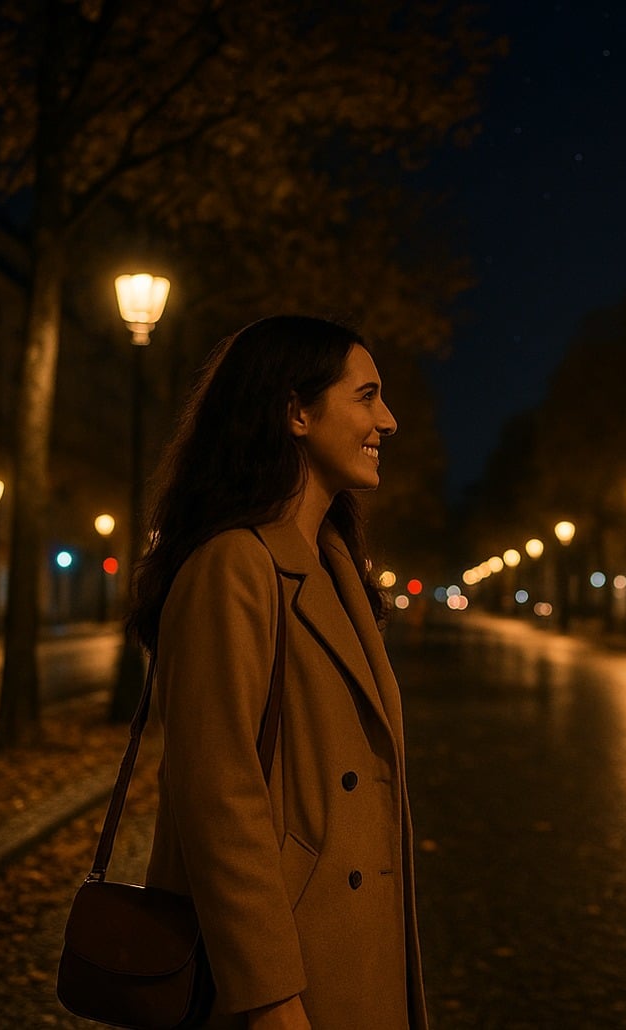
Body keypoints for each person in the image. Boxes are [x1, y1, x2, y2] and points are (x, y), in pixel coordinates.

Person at [126, 315, 426, 1029]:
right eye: (366, 396)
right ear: (296, 411)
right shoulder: (233, 567)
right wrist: (268, 999)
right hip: (285, 980)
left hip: (344, 951)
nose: (387, 419)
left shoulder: (331, 565)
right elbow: (218, 799)